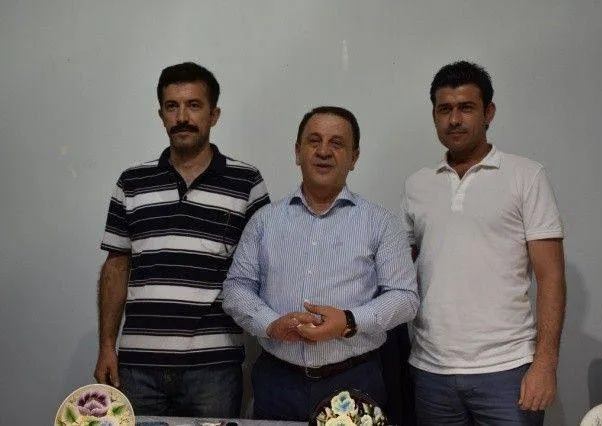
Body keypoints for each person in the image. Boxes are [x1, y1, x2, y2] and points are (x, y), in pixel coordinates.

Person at [94, 62, 270, 417]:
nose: (182, 117)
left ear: (213, 114)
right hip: (138, 365)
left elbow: (264, 269)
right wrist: (106, 347)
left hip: (214, 368)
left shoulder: (246, 183)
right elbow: (115, 268)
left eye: (194, 105)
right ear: (161, 116)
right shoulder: (132, 182)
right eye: (172, 106)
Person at [222, 106, 419, 421]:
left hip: (355, 381)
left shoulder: (381, 223)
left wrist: (349, 321)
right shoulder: (264, 221)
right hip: (278, 382)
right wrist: (271, 324)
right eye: (314, 141)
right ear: (297, 152)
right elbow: (236, 288)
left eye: (336, 143)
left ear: (354, 157)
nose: (324, 151)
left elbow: (405, 298)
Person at [402, 61, 567, 425]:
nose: (454, 119)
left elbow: (551, 276)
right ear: (434, 115)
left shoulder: (526, 175)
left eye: (466, 107)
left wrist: (545, 364)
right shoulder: (417, 185)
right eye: (444, 109)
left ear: (488, 112)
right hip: (430, 370)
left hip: (507, 369)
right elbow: (400, 270)